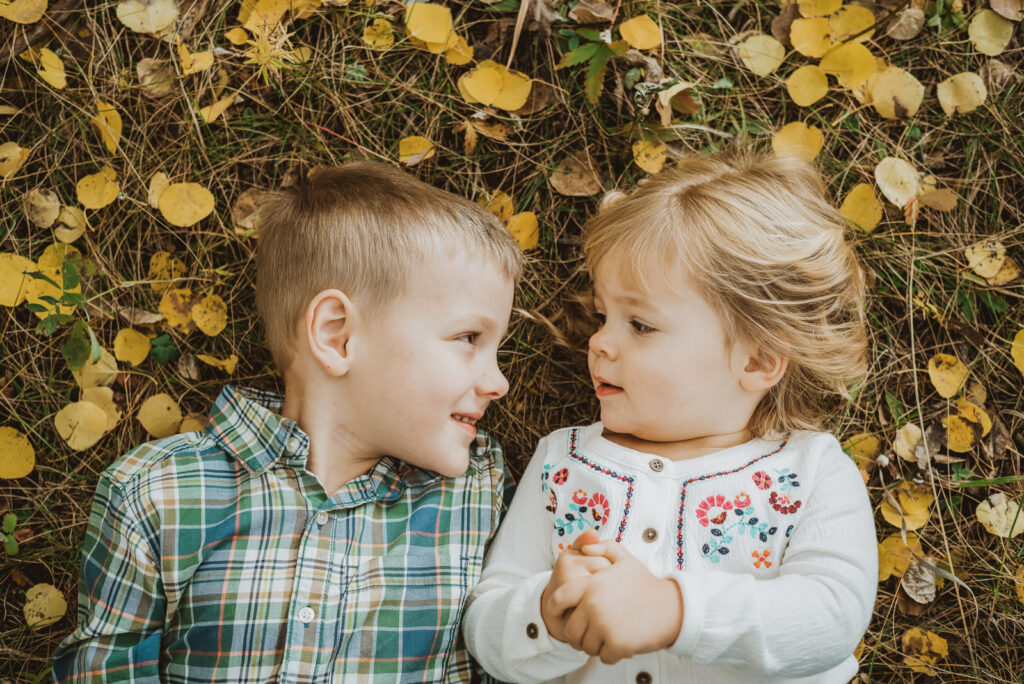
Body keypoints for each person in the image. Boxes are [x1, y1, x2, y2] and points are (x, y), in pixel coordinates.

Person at [53, 162, 523, 682]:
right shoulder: (159, 495)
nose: (498, 382)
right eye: (468, 339)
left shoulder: (478, 495)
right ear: (338, 336)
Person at [464, 148, 878, 683]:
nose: (599, 343)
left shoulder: (811, 469)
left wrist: (675, 612)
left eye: (641, 325)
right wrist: (544, 615)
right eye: (603, 315)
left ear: (755, 360)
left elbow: (832, 617)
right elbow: (483, 619)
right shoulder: (564, 459)